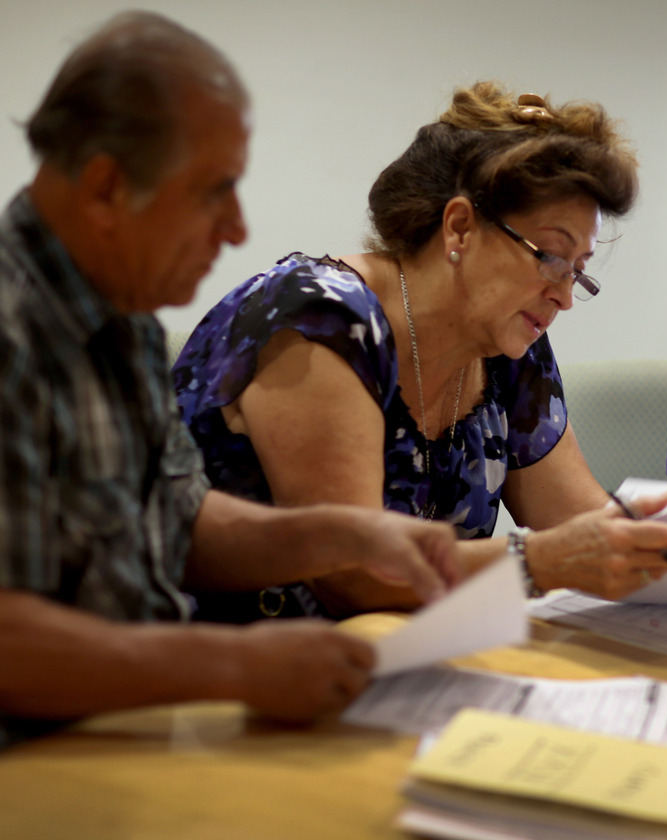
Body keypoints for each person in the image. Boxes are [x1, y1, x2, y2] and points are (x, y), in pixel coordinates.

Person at [0, 11, 460, 749]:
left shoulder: (125, 317)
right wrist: (232, 664)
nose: (239, 228)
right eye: (215, 190)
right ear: (106, 188)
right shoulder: (12, 333)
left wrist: (342, 532)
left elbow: (179, 519)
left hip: (130, 736)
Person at [173, 80, 667, 621]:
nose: (564, 297)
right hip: (221, 682)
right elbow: (351, 576)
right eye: (550, 256)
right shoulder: (318, 318)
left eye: (578, 272)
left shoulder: (509, 346)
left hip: (404, 672)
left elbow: (581, 528)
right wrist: (543, 562)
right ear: (458, 228)